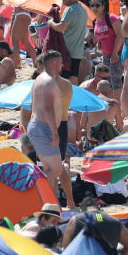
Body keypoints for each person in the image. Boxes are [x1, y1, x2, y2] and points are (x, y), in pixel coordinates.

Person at [31, 50, 75, 209]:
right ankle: (68, 202)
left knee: (49, 168)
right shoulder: (67, 84)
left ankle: (50, 203)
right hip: (61, 126)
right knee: (59, 166)